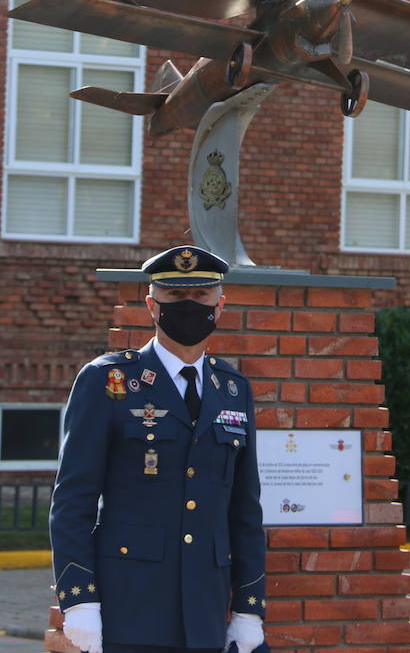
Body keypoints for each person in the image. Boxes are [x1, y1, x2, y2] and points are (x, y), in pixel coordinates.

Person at [50, 245, 266, 653]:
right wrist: (79, 601)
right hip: (127, 608)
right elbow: (72, 502)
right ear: (152, 305)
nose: (189, 306)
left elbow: (245, 509)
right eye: (175, 297)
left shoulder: (233, 390)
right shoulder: (108, 381)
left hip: (205, 609)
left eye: (201, 297)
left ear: (220, 306)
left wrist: (249, 609)